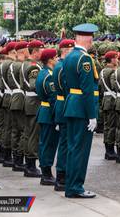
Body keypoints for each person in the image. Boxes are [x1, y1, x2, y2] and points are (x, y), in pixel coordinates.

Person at [63, 23, 99, 198]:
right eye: (91, 37)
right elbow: (87, 89)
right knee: (80, 150)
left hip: (72, 105)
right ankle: (76, 187)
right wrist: (92, 115)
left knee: (72, 148)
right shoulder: (84, 59)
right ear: (88, 38)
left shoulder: (70, 56)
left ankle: (70, 185)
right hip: (81, 109)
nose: (92, 40)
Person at [52, 39, 75, 191]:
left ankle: (63, 174)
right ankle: (61, 176)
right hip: (64, 104)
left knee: (66, 142)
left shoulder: (60, 65)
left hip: (63, 104)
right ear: (66, 50)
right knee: (65, 143)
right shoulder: (62, 67)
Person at [35, 48, 59, 186]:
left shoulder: (43, 72)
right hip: (49, 112)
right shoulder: (49, 76)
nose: (57, 60)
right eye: (55, 58)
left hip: (45, 111)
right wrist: (57, 117)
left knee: (45, 143)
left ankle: (46, 172)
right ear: (50, 60)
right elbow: (53, 98)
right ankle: (46, 174)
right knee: (48, 144)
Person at [22, 40, 45, 178]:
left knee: (29, 133)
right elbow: (34, 85)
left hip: (29, 102)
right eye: (41, 50)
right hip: (34, 103)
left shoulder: (28, 64)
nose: (42, 52)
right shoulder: (34, 67)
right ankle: (30, 166)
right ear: (35, 51)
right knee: (33, 135)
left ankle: (29, 164)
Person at [8, 41, 28, 173]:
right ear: (22, 51)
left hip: (13, 99)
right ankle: (19, 159)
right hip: (20, 99)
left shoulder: (11, 65)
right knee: (23, 131)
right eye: (27, 49)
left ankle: (16, 159)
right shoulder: (20, 66)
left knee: (15, 131)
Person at [0, 41, 17, 168]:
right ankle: (7, 156)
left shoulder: (3, 64)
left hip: (6, 96)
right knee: (11, 128)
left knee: (7, 127)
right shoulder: (10, 64)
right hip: (11, 96)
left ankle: (5, 155)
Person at [100, 51, 119, 161]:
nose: (117, 60)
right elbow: (114, 86)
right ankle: (110, 151)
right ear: (112, 59)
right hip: (112, 100)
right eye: (116, 58)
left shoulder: (103, 71)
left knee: (107, 126)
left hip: (106, 100)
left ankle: (108, 150)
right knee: (112, 126)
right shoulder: (112, 72)